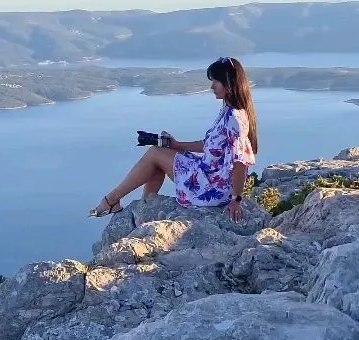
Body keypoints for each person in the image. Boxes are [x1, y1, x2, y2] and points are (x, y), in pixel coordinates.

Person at [89, 56, 258, 222]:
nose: (212, 86)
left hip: (210, 186)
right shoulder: (228, 111)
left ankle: (112, 200)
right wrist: (177, 145)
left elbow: (240, 163)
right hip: (209, 177)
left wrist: (236, 200)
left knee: (155, 153)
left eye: (216, 81)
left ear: (229, 82)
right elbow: (210, 146)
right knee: (158, 154)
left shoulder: (235, 118)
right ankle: (145, 206)